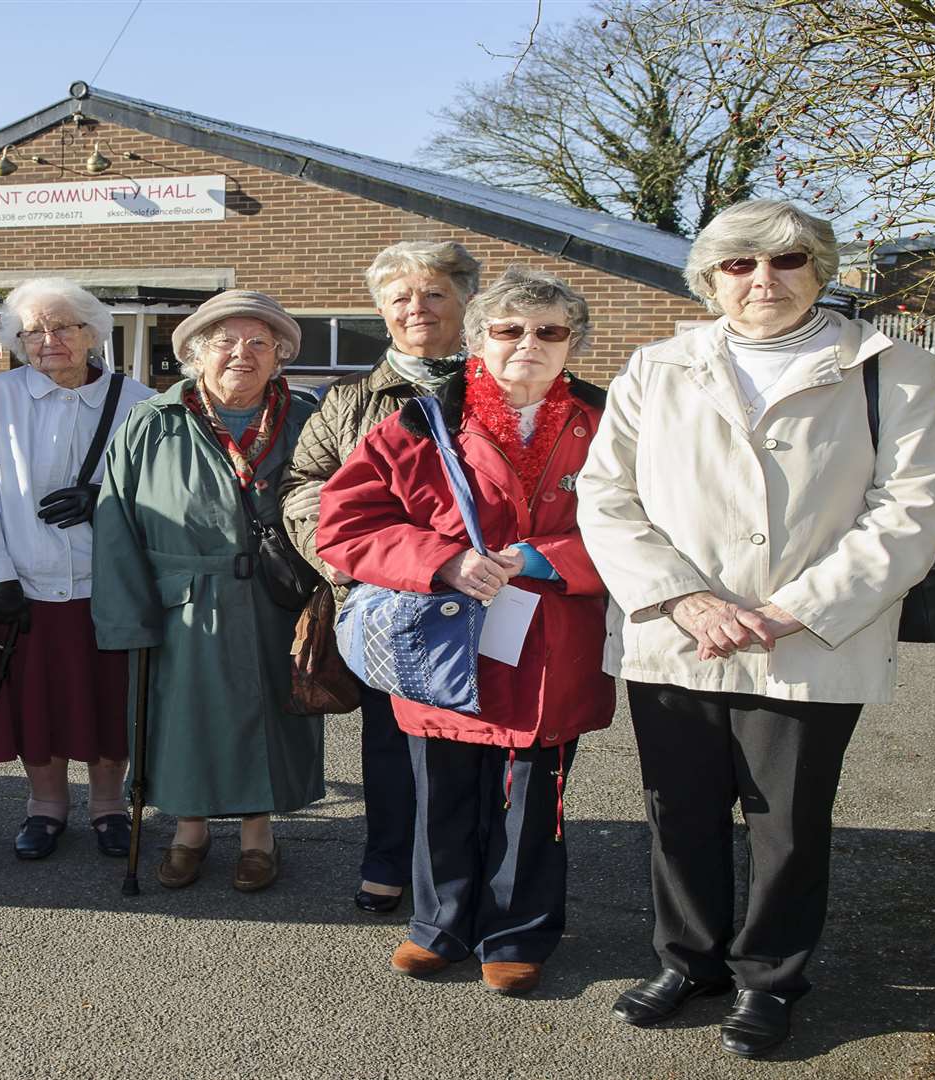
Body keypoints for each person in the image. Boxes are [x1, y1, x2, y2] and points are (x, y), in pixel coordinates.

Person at [576, 199, 935, 1058]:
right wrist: (684, 599)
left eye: (785, 261)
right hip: (681, 632)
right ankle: (689, 962)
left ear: (820, 269)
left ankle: (771, 979)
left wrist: (795, 610)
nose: (762, 281)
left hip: (810, 637)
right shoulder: (655, 366)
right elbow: (606, 496)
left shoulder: (887, 367)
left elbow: (913, 507)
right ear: (709, 280)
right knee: (679, 810)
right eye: (739, 266)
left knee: (787, 820)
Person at [317, 268, 612, 996]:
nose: (528, 345)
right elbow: (345, 524)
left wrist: (550, 556)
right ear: (478, 340)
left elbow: (650, 526)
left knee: (532, 803)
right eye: (509, 330)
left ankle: (517, 933)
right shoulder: (419, 422)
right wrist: (442, 560)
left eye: (549, 331)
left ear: (572, 342)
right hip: (440, 640)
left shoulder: (611, 424)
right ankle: (440, 925)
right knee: (440, 794)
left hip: (552, 643)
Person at [92, 289, 324, 893]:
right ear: (196, 354)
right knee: (182, 719)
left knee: (272, 714)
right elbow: (117, 522)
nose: (241, 354)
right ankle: (187, 832)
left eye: (259, 343)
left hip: (279, 597)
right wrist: (125, 615)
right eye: (225, 341)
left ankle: (258, 837)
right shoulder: (153, 422)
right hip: (183, 602)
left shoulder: (306, 419)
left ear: (279, 356)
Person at [282, 240, 481, 915]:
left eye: (434, 293)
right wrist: (340, 558)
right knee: (391, 742)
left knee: (483, 743)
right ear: (381, 311)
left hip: (487, 598)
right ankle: (389, 857)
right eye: (400, 297)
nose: (416, 308)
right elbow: (305, 485)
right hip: (381, 601)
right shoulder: (346, 401)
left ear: (465, 301)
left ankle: (471, 871)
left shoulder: (499, 387)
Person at [0, 278, 153, 860]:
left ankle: (109, 807)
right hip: (21, 585)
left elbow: (162, 494)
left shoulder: (138, 402)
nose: (47, 340)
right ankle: (46, 808)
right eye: (32, 331)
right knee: (35, 704)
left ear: (92, 333)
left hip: (107, 587)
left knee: (109, 702)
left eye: (63, 326)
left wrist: (105, 501)